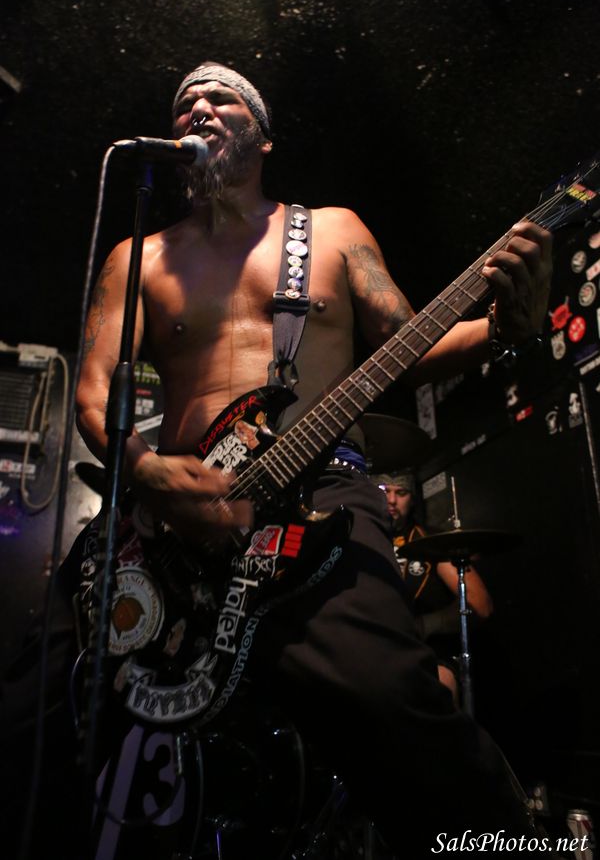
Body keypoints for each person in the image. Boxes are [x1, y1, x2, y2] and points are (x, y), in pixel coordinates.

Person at [5, 62, 553, 858]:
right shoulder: (138, 257)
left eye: (220, 97)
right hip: (169, 516)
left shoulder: (332, 232)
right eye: (184, 102)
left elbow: (412, 347)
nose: (197, 106)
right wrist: (147, 473)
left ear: (262, 136)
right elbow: (93, 394)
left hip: (318, 493)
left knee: (390, 697)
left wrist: (506, 329)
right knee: (34, 705)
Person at [373, 469, 493, 704]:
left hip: (426, 652)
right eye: (384, 491)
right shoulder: (360, 541)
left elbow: (481, 604)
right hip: (375, 650)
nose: (392, 500)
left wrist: (426, 624)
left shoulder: (431, 542)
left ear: (412, 499)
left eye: (401, 492)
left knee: (439, 684)